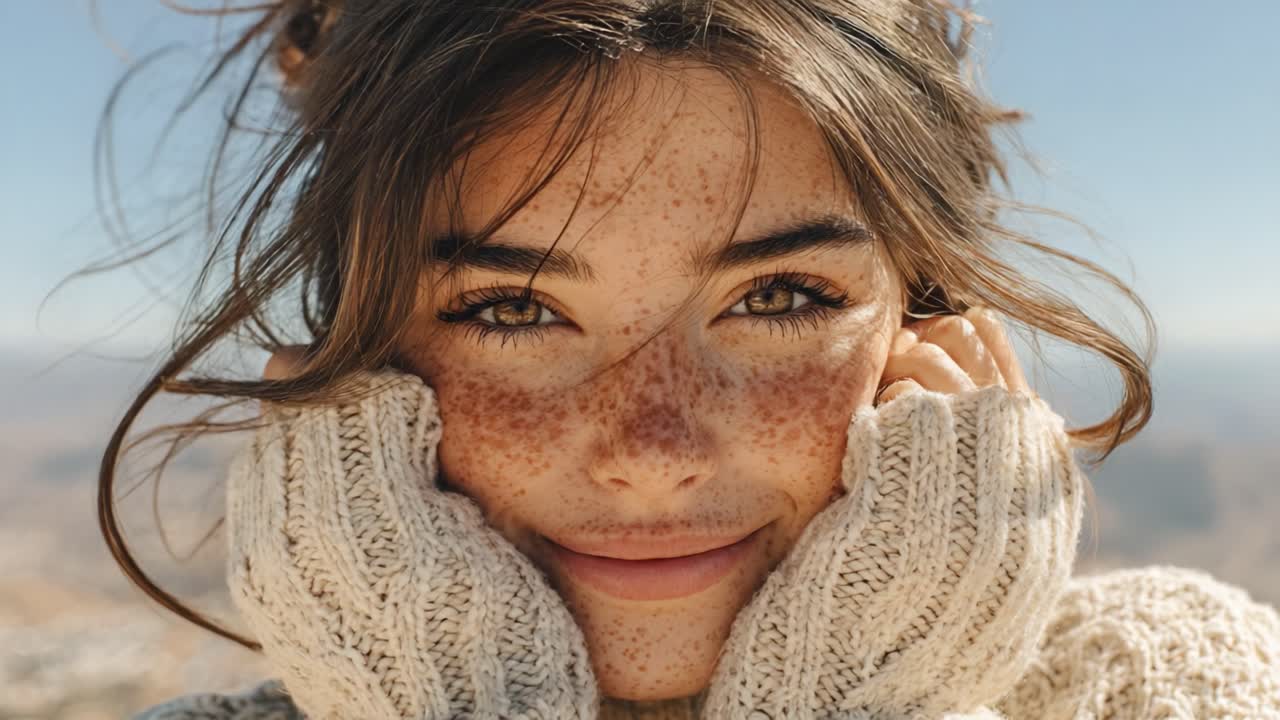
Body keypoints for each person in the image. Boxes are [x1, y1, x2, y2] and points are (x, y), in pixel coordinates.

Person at [104, 1, 1279, 718]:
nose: (651, 448)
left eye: (776, 297)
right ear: (361, 365)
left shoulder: (1176, 688)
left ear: (921, 321)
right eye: (512, 309)